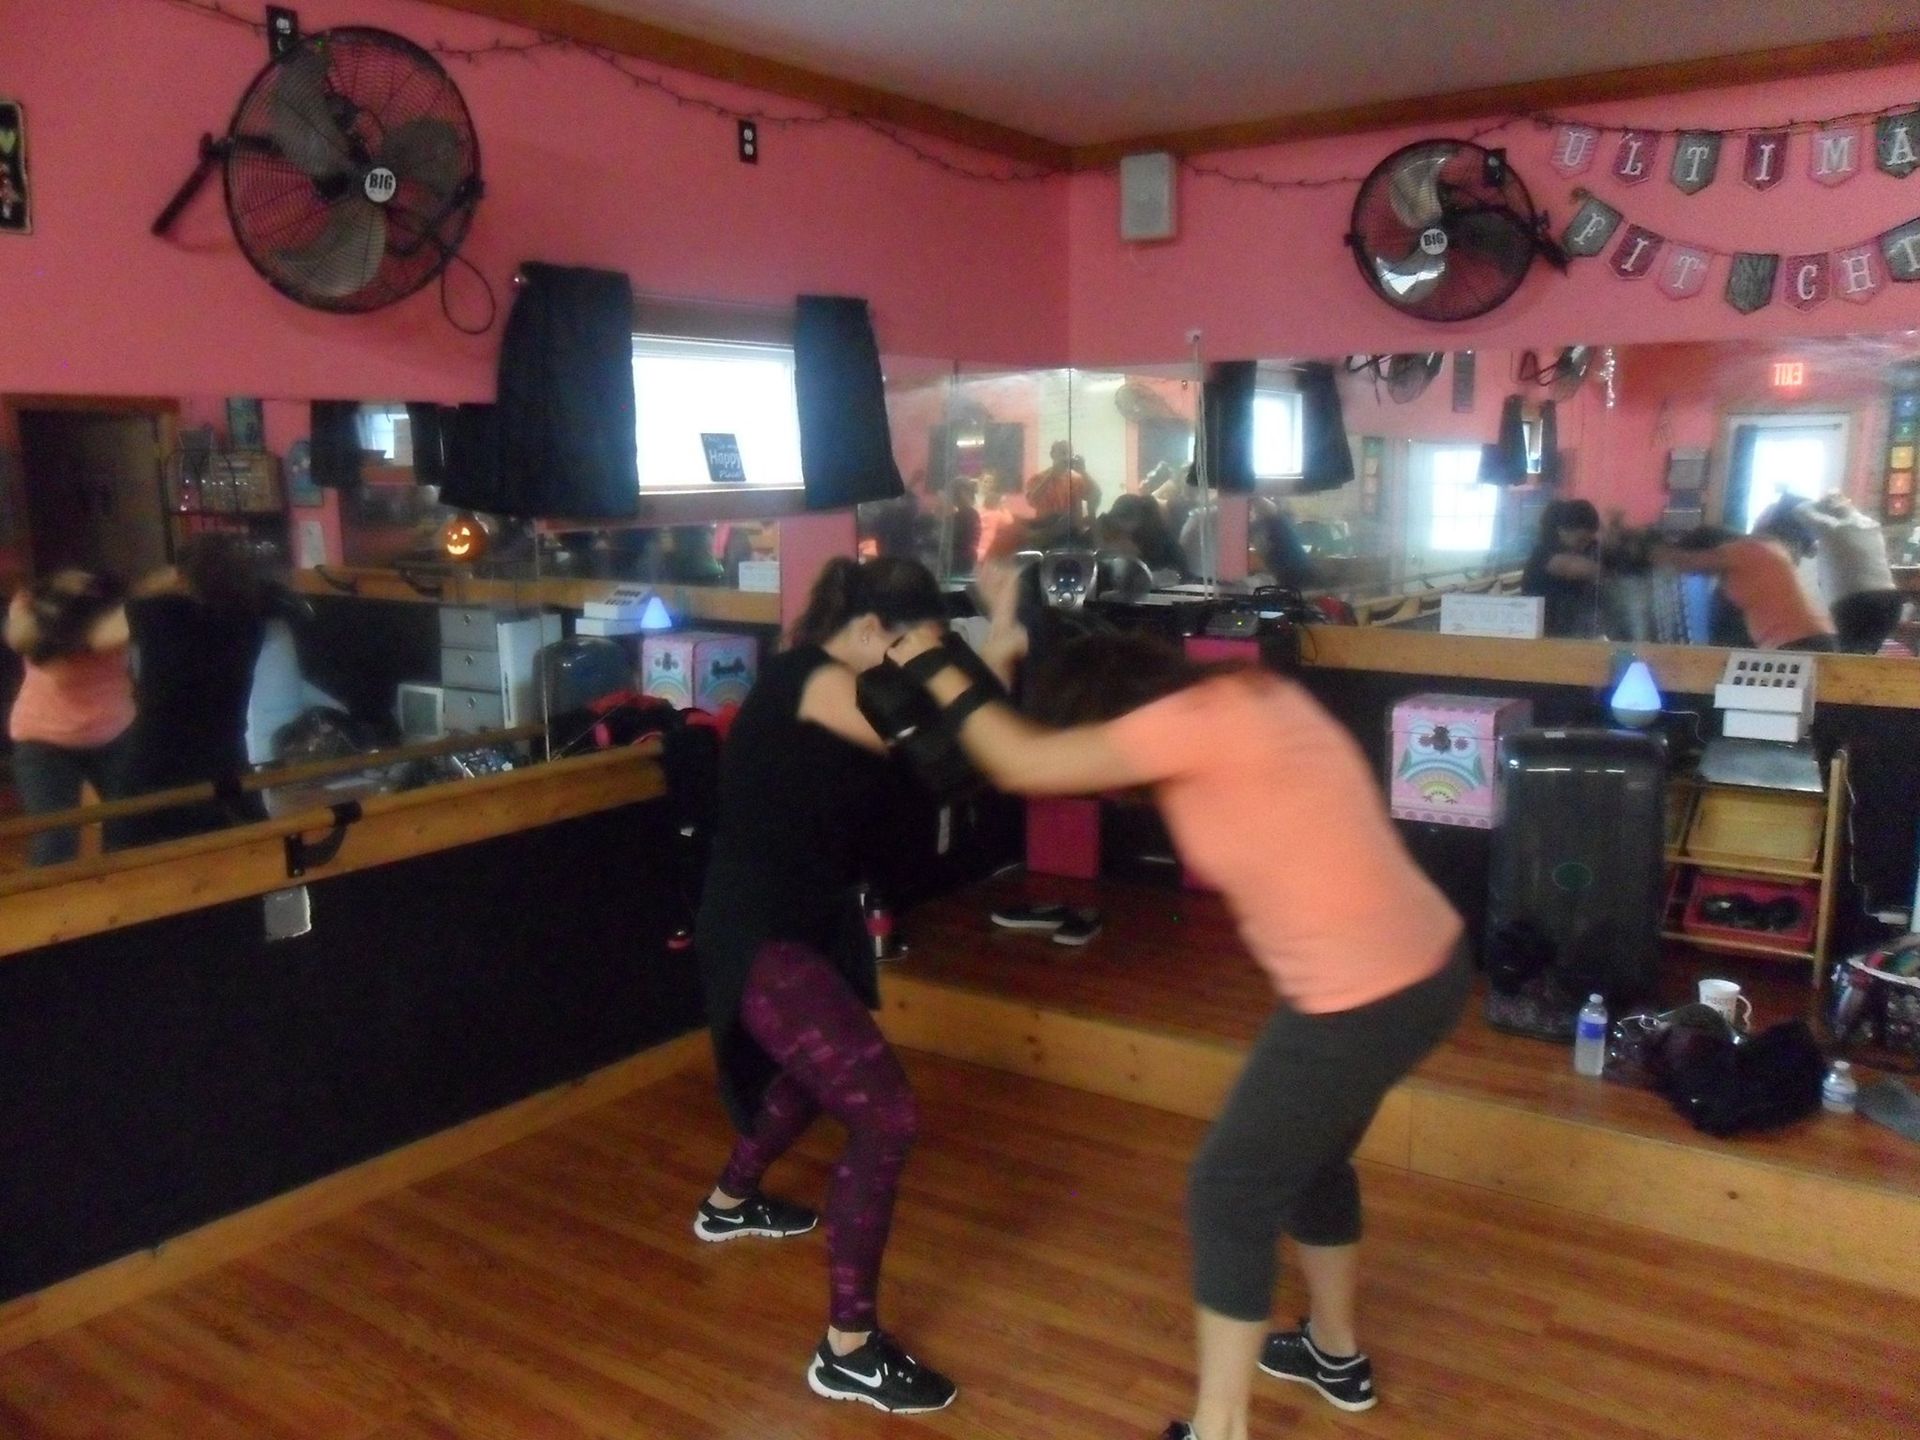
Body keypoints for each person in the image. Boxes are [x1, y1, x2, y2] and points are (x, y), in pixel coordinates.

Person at [890, 574, 1468, 1440]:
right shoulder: (1248, 694)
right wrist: (1010, 629)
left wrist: (935, 660)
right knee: (1308, 1159)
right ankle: (1334, 1352)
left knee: (1228, 1191)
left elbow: (1021, 762)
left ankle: (1218, 1428)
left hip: (1363, 994)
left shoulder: (1195, 727)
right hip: (1423, 968)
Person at [694, 555, 1018, 1415]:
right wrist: (1005, 639)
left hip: (805, 924)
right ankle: (847, 1350)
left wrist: (995, 645)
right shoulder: (817, 677)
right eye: (915, 647)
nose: (921, 666)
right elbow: (950, 755)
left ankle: (728, 1204)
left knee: (811, 1080)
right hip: (760, 933)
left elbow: (947, 762)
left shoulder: (843, 680)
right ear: (875, 631)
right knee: (886, 1112)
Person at [108, 536, 275, 848]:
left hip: (156, 760)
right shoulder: (249, 624)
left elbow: (124, 612)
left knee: (133, 866)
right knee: (240, 862)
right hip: (224, 758)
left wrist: (168, 580)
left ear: (183, 577)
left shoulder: (159, 615)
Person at [4, 570, 135, 866]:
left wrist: (66, 630)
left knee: (130, 829)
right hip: (42, 738)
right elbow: (24, 639)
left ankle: (133, 906)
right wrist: (68, 628)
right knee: (55, 840)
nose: (75, 580)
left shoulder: (118, 613)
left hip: (113, 733)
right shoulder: (27, 604)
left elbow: (112, 634)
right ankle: (52, 909)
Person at [1653, 515, 1838, 652]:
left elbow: (1683, 562)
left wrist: (1642, 551)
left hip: (1798, 643)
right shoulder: (1771, 551)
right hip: (1819, 638)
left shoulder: (1742, 551)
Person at [1795, 494, 1904, 653]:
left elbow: (1800, 511)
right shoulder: (1872, 526)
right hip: (1889, 602)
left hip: (1854, 603)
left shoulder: (1832, 528)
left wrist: (1819, 503)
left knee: (1849, 655)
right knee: (1866, 654)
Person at [1521, 499, 1604, 638]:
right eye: (1581, 540)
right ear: (1562, 531)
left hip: (1568, 631)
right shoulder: (1544, 553)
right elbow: (1581, 568)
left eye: (1587, 541)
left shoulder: (1582, 548)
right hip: (1543, 633)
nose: (1584, 546)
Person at [1099, 493, 1189, 584]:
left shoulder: (1157, 542)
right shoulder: (1110, 526)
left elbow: (1172, 574)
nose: (1120, 536)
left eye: (1121, 531)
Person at [1026, 440, 1100, 543]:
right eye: (1062, 453)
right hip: (1045, 535)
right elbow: (1032, 501)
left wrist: (1083, 472)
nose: (1066, 457)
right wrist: (1051, 476)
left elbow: (1095, 496)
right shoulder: (1038, 479)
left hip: (1073, 535)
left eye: (1069, 453)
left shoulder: (1077, 479)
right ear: (1052, 455)